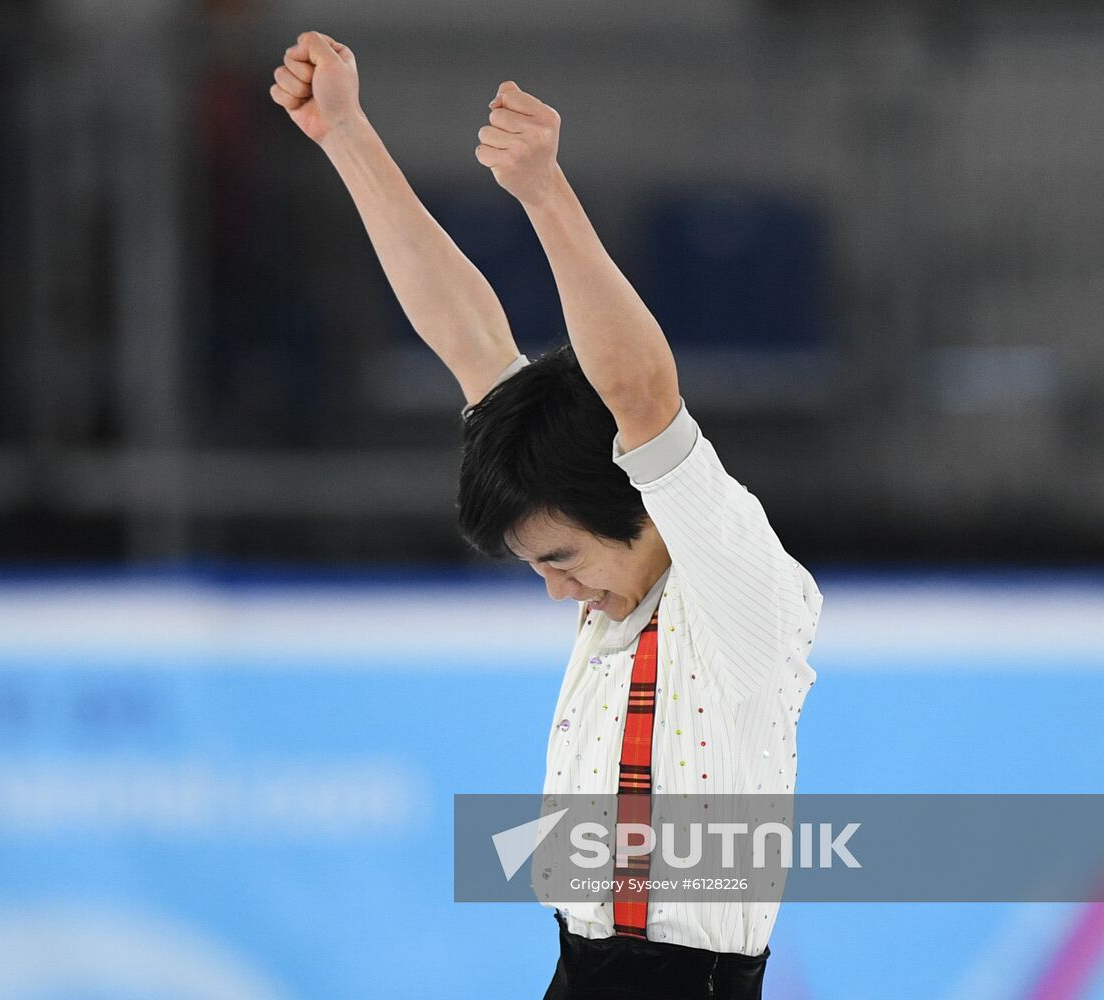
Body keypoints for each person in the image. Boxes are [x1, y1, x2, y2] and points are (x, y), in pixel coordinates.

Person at [270, 31, 822, 1000]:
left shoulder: (734, 581)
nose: (559, 592)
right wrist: (347, 133)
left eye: (562, 559)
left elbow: (639, 392)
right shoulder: (616, 573)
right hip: (578, 965)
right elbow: (467, 332)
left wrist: (543, 194)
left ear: (638, 498)